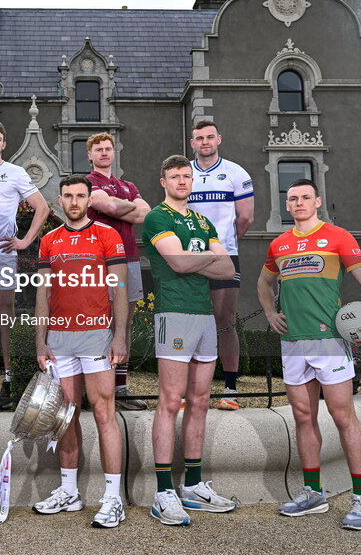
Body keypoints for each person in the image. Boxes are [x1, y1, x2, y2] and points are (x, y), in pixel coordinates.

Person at [257, 178, 361, 530]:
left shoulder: (338, 236)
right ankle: (313, 493)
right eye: (292, 199)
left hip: (330, 341)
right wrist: (271, 313)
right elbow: (263, 283)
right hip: (293, 344)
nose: (298, 203)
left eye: (305, 197)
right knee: (303, 417)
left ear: (317, 201)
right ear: (287, 206)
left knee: (343, 416)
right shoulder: (279, 244)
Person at [142, 156, 238, 526]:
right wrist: (204, 257)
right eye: (175, 176)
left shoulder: (202, 220)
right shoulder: (158, 216)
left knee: (200, 400)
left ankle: (193, 486)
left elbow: (228, 268)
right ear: (163, 180)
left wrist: (190, 256)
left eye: (186, 176)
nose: (182, 181)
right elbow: (178, 265)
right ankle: (163, 491)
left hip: (203, 316)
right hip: (175, 312)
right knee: (170, 401)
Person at [33, 174, 128, 528]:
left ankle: (112, 497)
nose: (74, 201)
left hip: (96, 335)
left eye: (80, 196)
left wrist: (120, 336)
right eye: (68, 196)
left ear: (89, 199)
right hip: (59, 338)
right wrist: (40, 341)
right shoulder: (49, 241)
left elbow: (118, 288)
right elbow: (42, 293)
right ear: (59, 200)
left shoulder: (108, 235)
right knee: (66, 415)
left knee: (104, 413)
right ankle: (69, 492)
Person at [0, 121, 50, 406]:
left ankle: (10, 377)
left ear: (4, 144)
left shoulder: (15, 173)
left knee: (5, 316)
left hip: (3, 253)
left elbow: (43, 207)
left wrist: (26, 240)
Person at [187, 121, 254, 410]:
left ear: (219, 139)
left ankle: (230, 388)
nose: (205, 141)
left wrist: (222, 244)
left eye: (209, 137)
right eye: (199, 138)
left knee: (225, 321)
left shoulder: (236, 173)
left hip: (225, 255)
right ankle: (188, 391)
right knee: (189, 321)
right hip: (190, 257)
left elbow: (246, 218)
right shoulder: (184, 173)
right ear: (193, 143)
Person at [85, 132, 150, 410]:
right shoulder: (89, 183)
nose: (103, 153)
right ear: (90, 155)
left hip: (130, 259)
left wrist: (124, 208)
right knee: (99, 324)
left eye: (107, 148)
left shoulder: (128, 184)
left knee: (123, 325)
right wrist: (128, 208)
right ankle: (97, 389)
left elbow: (145, 214)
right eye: (98, 149)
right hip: (100, 261)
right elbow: (107, 205)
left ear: (114, 152)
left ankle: (120, 387)